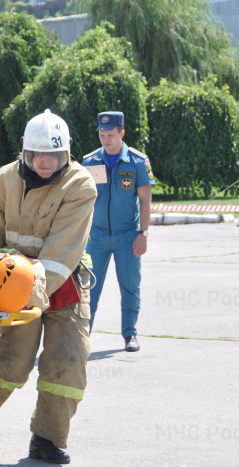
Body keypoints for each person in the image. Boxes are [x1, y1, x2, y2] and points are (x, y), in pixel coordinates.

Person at [0, 109, 96, 464]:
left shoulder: (80, 185)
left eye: (54, 155)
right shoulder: (3, 180)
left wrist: (26, 290)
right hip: (12, 282)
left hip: (64, 282)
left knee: (68, 362)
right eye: (37, 155)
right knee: (11, 360)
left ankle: (48, 438)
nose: (45, 162)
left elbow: (60, 255)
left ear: (67, 154)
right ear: (25, 152)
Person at [82, 111, 155, 352]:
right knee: (88, 289)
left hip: (127, 235)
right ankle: (81, 338)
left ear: (122, 133)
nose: (106, 140)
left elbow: (145, 200)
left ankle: (130, 334)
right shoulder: (90, 161)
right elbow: (82, 200)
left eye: (111, 135)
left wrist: (143, 234)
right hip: (96, 236)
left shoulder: (137, 161)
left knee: (130, 287)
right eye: (102, 135)